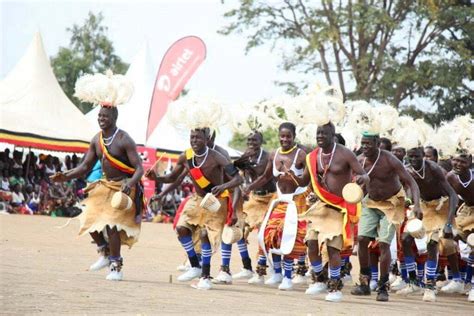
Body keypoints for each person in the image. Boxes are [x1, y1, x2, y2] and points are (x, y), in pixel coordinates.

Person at [51, 104, 144, 281]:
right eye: (100, 116)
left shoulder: (125, 139)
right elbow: (85, 166)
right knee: (88, 217)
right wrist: (65, 176)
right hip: (105, 185)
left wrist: (130, 184)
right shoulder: (96, 139)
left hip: (123, 186)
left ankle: (116, 266)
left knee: (111, 224)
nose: (101, 119)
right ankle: (104, 252)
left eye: (105, 116)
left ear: (114, 118)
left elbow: (139, 169)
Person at [146, 128, 243, 290]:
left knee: (205, 235)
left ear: (207, 138)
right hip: (197, 200)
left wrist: (223, 186)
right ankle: (194, 265)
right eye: (192, 137)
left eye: (198, 137)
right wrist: (156, 178)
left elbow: (238, 179)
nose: (194, 140)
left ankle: (205, 277)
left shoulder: (217, 157)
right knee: (181, 228)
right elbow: (172, 178)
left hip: (215, 201)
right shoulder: (186, 156)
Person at [291, 122, 369, 302]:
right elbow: (303, 183)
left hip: (340, 207)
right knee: (311, 243)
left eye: (324, 133)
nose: (320, 136)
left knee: (333, 248)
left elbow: (363, 174)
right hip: (321, 206)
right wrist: (291, 173)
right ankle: (319, 279)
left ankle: (334, 287)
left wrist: (361, 181)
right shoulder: (312, 157)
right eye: (318, 133)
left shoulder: (345, 153)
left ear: (332, 134)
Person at [351, 132, 421, 302]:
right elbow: (355, 185)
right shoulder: (360, 161)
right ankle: (364, 283)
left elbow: (411, 182)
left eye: (368, 143)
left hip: (392, 204)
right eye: (363, 143)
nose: (365, 147)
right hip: (371, 203)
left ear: (377, 143)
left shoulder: (390, 160)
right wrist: (357, 184)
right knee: (361, 239)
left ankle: (383, 287)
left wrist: (417, 205)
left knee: (384, 244)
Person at [243, 122, 308, 291]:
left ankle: (288, 277)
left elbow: (308, 180)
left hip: (296, 200)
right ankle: (277, 273)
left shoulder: (301, 155)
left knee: (289, 237)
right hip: (279, 199)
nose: (285, 139)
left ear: (294, 137)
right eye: (282, 136)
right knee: (270, 234)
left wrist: (294, 177)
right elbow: (265, 176)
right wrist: (249, 187)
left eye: (288, 136)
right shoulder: (274, 154)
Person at [401, 147, 459, 301]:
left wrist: (448, 223)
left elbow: (453, 195)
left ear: (423, 156)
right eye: (410, 156)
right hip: (423, 206)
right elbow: (411, 189)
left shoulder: (434, 169)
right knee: (406, 239)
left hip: (441, 206)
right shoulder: (407, 170)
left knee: (432, 243)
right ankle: (413, 282)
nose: (414, 160)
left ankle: (430, 286)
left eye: (417, 156)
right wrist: (414, 204)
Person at [234, 131, 276, 283]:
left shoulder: (267, 157)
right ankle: (246, 267)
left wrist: (249, 186)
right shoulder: (246, 155)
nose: (252, 142)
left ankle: (262, 270)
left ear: (261, 141)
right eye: (249, 139)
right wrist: (245, 185)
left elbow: (266, 177)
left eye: (255, 140)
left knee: (264, 235)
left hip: (270, 198)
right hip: (254, 198)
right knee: (238, 229)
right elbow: (242, 175)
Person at [446, 151, 474, 302]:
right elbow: (451, 200)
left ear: (470, 161)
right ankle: (458, 279)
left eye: (462, 161)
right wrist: (448, 224)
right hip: (465, 211)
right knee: (448, 240)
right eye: (455, 161)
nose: (458, 164)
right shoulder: (450, 177)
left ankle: (472, 285)